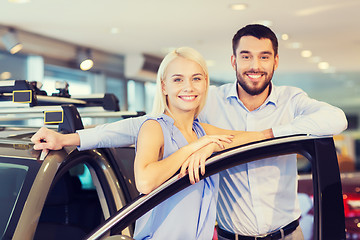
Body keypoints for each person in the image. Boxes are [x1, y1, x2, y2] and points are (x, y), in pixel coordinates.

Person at [32, 25, 348, 239]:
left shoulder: (282, 103)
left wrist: (269, 136)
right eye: (246, 56)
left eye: (264, 57)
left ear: (276, 61)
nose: (255, 65)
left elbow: (334, 121)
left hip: (284, 233)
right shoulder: (196, 114)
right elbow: (138, 131)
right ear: (233, 60)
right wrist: (70, 139)